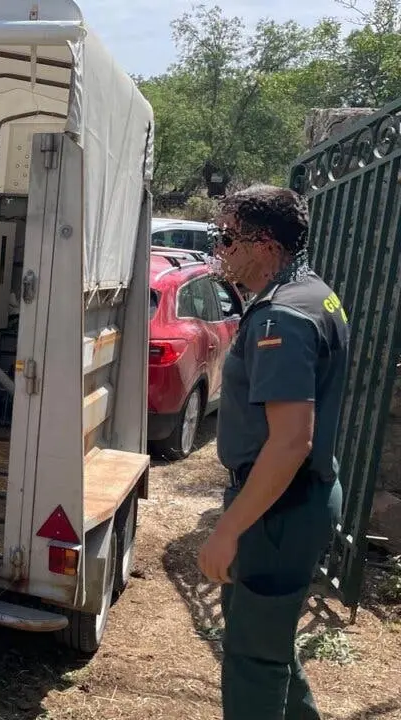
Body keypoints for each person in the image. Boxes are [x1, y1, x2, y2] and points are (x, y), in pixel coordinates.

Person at [197, 184, 348, 719]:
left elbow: (289, 443)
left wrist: (227, 529)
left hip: (278, 509)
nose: (220, 248)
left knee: (252, 662)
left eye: (229, 237)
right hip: (297, 499)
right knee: (271, 646)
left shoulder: (280, 318)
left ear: (264, 245)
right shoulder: (313, 292)